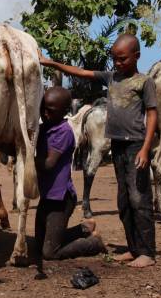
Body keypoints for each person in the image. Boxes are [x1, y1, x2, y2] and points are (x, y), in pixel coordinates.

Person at [39, 34, 157, 268]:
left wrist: (145, 148)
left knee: (139, 198)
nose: (118, 63)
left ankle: (147, 252)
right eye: (115, 59)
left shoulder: (144, 82)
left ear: (136, 56)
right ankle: (133, 249)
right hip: (118, 145)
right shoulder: (112, 78)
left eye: (122, 59)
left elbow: (152, 114)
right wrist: (51, 63)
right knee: (124, 201)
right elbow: (81, 72)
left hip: (136, 144)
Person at [35, 86, 106, 273]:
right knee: (38, 245)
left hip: (60, 199)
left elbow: (49, 163)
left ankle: (93, 243)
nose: (45, 113)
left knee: (50, 252)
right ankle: (83, 229)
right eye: (43, 109)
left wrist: (26, 159)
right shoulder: (44, 127)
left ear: (64, 111)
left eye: (50, 110)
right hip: (47, 198)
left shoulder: (63, 132)